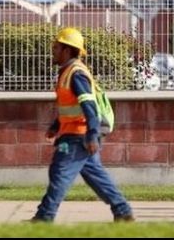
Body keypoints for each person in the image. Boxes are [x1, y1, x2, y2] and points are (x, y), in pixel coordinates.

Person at [31, 27, 134, 222]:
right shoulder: (68, 72)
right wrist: (56, 125)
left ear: (67, 50)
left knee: (60, 172)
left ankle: (44, 217)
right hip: (75, 131)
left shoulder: (76, 73)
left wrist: (92, 134)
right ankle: (122, 211)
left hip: (79, 135)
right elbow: (71, 104)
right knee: (95, 175)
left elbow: (89, 105)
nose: (52, 50)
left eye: (56, 47)